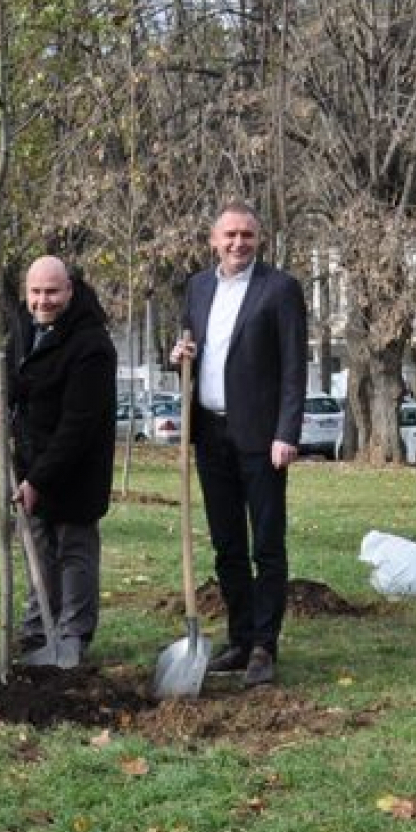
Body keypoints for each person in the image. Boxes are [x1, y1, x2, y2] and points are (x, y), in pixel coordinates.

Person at [168, 202, 308, 688]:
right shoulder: (197, 287)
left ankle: (265, 646)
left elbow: (294, 366)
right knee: (227, 544)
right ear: (214, 240)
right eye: (229, 235)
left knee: (266, 544)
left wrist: (287, 433)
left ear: (259, 238)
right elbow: (191, 349)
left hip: (261, 437)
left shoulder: (280, 289)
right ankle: (240, 639)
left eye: (247, 234)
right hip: (210, 433)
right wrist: (178, 355)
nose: (238, 243)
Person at [4, 256, 117, 657]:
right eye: (35, 292)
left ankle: (73, 633)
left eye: (51, 292)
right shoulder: (23, 323)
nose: (42, 301)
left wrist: (40, 479)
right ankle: (38, 629)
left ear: (70, 289)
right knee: (37, 544)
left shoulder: (92, 345)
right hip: (30, 457)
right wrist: (1, 400)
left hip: (76, 467)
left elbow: (78, 425)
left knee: (73, 547)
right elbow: (13, 374)